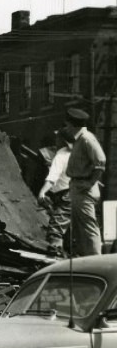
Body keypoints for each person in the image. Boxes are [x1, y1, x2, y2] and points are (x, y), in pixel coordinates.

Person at [64, 108, 106, 257]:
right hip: (78, 186)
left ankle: (96, 260)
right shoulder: (80, 139)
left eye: (68, 125)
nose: (67, 128)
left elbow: (100, 162)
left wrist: (89, 183)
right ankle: (86, 260)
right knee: (80, 228)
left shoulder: (87, 139)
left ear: (73, 125)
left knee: (88, 227)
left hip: (84, 188)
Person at [37, 127, 75, 256]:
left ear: (62, 140)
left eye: (57, 137)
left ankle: (56, 255)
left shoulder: (61, 155)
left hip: (66, 194)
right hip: (79, 194)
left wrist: (42, 192)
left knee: (56, 229)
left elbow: (52, 178)